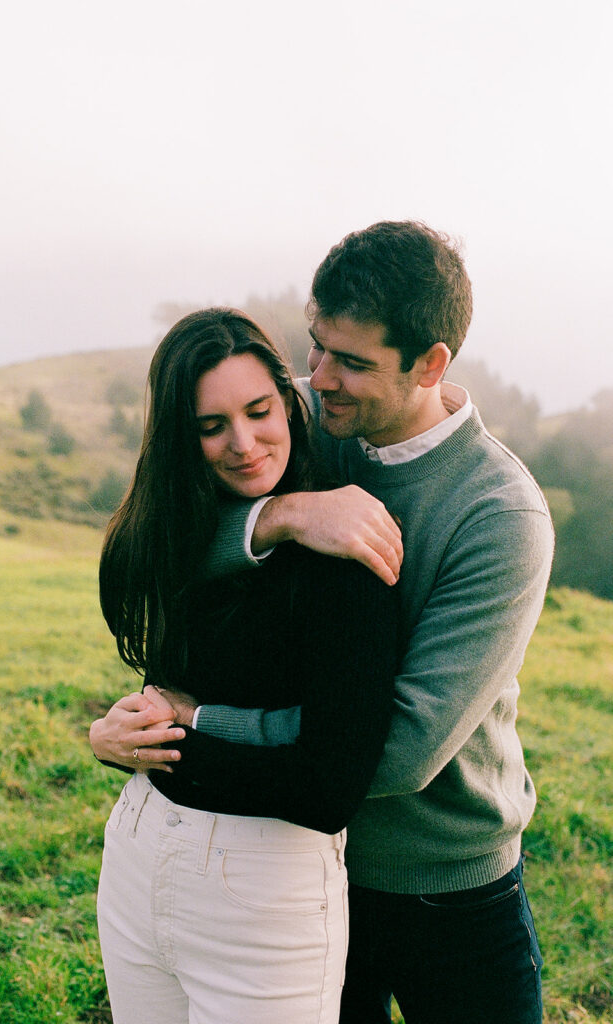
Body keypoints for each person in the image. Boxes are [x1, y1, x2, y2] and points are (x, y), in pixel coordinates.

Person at [152, 222, 555, 1024]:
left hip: (448, 886)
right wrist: (279, 516)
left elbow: (398, 748)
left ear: (430, 363)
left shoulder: (499, 517)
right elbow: (161, 550)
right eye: (316, 346)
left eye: (353, 363)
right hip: (299, 865)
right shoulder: (298, 428)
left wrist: (198, 722)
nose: (319, 379)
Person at [90, 308, 403, 1024]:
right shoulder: (181, 535)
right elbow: (158, 662)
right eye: (211, 426)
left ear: (288, 401)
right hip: (138, 854)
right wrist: (114, 739)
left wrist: (172, 742)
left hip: (263, 890)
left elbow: (327, 785)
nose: (243, 443)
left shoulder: (345, 554)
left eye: (259, 411)